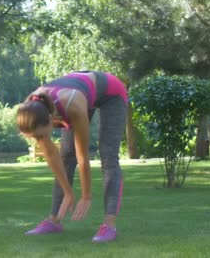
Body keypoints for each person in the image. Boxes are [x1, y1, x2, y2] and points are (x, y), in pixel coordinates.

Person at [16, 71, 127, 243]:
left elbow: (82, 156)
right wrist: (68, 192)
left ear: (50, 120)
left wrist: (86, 195)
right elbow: (52, 154)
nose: (38, 141)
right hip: (81, 91)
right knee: (66, 156)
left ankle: (109, 226)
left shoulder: (72, 105)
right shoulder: (31, 109)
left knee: (108, 156)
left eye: (38, 136)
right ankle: (54, 221)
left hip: (111, 92)